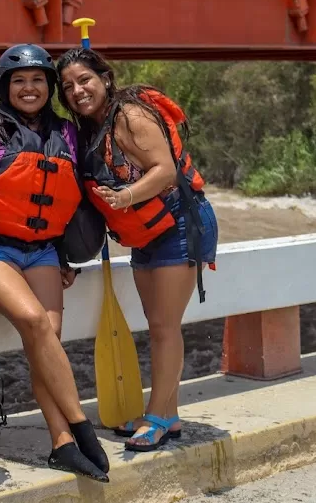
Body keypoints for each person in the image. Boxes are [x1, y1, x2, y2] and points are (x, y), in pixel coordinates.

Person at [0, 44, 110, 482]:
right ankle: (81, 427)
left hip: (43, 250)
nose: (28, 88)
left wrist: (68, 256)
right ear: (5, 87)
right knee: (34, 321)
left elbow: (70, 198)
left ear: (49, 87)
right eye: (19, 81)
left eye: (37, 80)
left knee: (48, 339)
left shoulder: (66, 132)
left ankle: (62, 445)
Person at [56, 47, 219, 453]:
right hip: (145, 232)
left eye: (84, 80)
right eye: (68, 86)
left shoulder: (130, 115)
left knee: (164, 327)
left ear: (105, 79)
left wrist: (125, 196)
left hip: (179, 224)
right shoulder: (88, 129)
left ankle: (157, 416)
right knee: (157, 324)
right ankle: (169, 414)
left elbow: (165, 170)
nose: (77, 91)